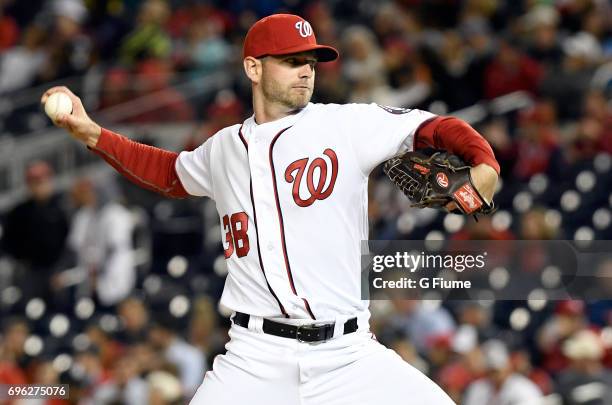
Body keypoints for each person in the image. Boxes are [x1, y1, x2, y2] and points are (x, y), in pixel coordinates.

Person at [42, 13, 499, 404]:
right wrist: (92, 134)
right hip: (254, 357)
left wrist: (484, 163)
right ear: (253, 68)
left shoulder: (344, 125)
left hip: (348, 354)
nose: (306, 71)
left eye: (310, 62)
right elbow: (168, 173)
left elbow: (435, 127)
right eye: (291, 61)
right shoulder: (223, 148)